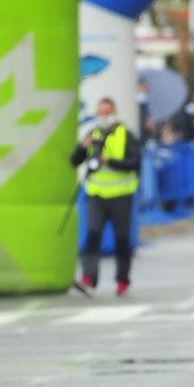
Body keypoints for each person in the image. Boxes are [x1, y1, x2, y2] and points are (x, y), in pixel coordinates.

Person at [70, 97, 142, 295]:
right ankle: (89, 277)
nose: (103, 116)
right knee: (93, 235)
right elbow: (75, 161)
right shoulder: (91, 135)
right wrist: (83, 148)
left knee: (121, 239)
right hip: (96, 195)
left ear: (115, 113)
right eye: (100, 113)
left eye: (107, 112)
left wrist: (108, 161)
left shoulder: (126, 135)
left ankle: (122, 279)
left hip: (121, 194)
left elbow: (135, 163)